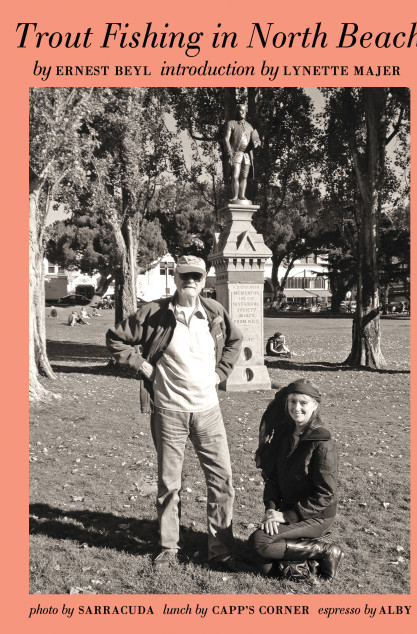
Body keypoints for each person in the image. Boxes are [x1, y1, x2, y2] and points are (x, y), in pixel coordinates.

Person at [106, 255, 243, 570]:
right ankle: (169, 548)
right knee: (170, 484)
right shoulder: (154, 313)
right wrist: (142, 366)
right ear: (176, 279)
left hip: (208, 412)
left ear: (204, 280)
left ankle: (220, 549)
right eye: (185, 276)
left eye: (196, 276)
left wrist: (221, 373)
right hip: (169, 413)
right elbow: (115, 339)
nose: (190, 281)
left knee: (222, 481)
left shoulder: (214, 312)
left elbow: (235, 341)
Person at [249, 379, 343, 581]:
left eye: (303, 403)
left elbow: (325, 494)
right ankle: (300, 564)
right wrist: (271, 509)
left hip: (317, 515)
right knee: (264, 565)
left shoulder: (322, 443)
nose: (296, 408)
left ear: (315, 406)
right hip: (286, 508)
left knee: (259, 542)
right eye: (292, 401)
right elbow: (272, 478)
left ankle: (325, 551)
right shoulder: (284, 435)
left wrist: (287, 516)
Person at [223, 103, 260, 202]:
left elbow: (254, 139)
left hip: (247, 155)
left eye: (244, 110)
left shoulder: (250, 126)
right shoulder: (231, 123)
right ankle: (235, 196)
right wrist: (230, 152)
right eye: (240, 110)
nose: (242, 112)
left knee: (244, 176)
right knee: (235, 175)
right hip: (236, 153)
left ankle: (242, 195)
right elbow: (226, 139)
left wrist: (256, 142)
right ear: (237, 111)